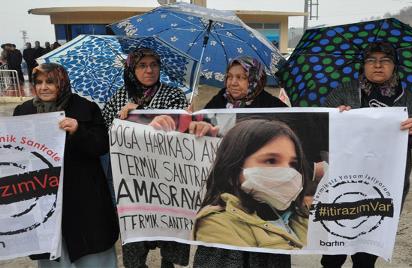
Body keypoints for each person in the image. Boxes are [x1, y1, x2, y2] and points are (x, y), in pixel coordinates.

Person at [320, 41, 412, 268]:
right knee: (334, 249)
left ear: (395, 66)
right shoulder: (343, 92)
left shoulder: (407, 99)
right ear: (363, 65)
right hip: (344, 181)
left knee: (367, 251)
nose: (378, 65)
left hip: (385, 185)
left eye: (385, 60)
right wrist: (336, 117)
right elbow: (322, 130)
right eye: (371, 60)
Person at [13, 63, 119, 267]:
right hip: (44, 198)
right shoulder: (24, 110)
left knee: (93, 253)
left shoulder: (86, 108)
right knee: (53, 254)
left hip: (84, 198)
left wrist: (79, 131)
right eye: (39, 82)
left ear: (62, 82)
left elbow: (101, 146)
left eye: (50, 82)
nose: (43, 87)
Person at [101, 47, 190, 268]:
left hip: (168, 180)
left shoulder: (174, 95)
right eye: (142, 65)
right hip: (134, 184)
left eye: (154, 65)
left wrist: (141, 111)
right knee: (135, 241)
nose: (149, 70)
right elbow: (104, 132)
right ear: (131, 69)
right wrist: (123, 115)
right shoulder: (120, 96)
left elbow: (179, 132)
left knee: (169, 237)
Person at [194, 118, 309, 246]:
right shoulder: (217, 224)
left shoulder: (301, 216)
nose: (288, 174)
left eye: (293, 164)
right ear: (233, 168)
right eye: (271, 161)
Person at [204, 56, 286, 109]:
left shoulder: (272, 106)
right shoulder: (221, 98)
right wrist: (194, 120)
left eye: (241, 77)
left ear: (255, 80)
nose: (233, 83)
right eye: (229, 76)